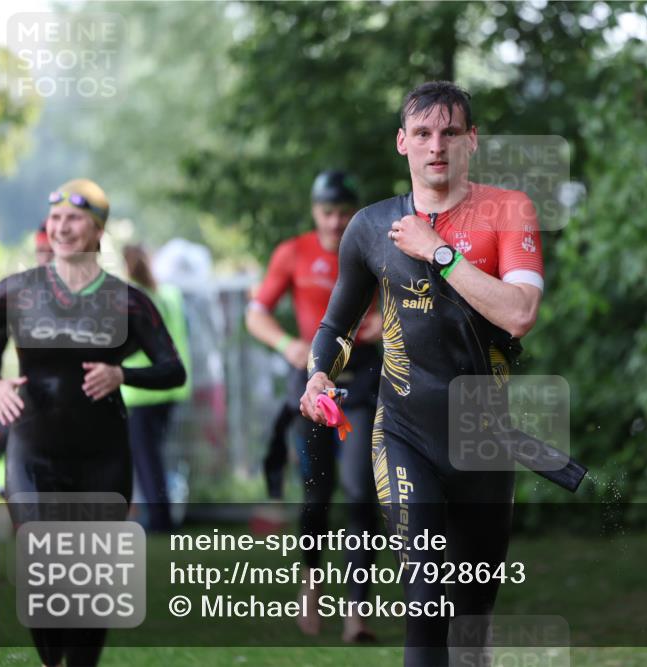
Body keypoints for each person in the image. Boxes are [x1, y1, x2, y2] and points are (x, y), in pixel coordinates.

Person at [300, 81, 544, 666]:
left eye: (451, 133)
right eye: (424, 134)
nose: (437, 146)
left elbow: (519, 314)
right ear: (402, 143)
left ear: (472, 141)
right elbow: (336, 326)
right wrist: (316, 376)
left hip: (483, 443)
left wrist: (438, 250)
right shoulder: (370, 227)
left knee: (470, 625)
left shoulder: (508, 211)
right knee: (425, 601)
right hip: (404, 434)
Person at [0, 179, 186, 667]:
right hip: (33, 451)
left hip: (102, 456)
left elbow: (172, 369)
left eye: (73, 218)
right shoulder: (19, 291)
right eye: (55, 219)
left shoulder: (127, 301)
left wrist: (121, 373)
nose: (61, 227)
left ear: (97, 230)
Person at [245, 170, 383, 642]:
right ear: (314, 212)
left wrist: (387, 321)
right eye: (328, 212)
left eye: (345, 213)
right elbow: (256, 312)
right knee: (316, 491)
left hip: (364, 377)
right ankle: (311, 582)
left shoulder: (372, 245)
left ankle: (356, 614)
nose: (336, 222)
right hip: (312, 382)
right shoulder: (293, 252)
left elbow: (409, 299)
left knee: (362, 489)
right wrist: (286, 344)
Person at [120, 243, 193, 532]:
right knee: (155, 456)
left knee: (146, 459)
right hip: (171, 387)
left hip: (140, 389)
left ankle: (160, 520)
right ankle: (160, 515)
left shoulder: (131, 300)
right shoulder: (170, 294)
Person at [0, 224, 53, 489]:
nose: (45, 258)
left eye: (51, 252)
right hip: (31, 407)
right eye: (40, 251)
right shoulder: (21, 298)